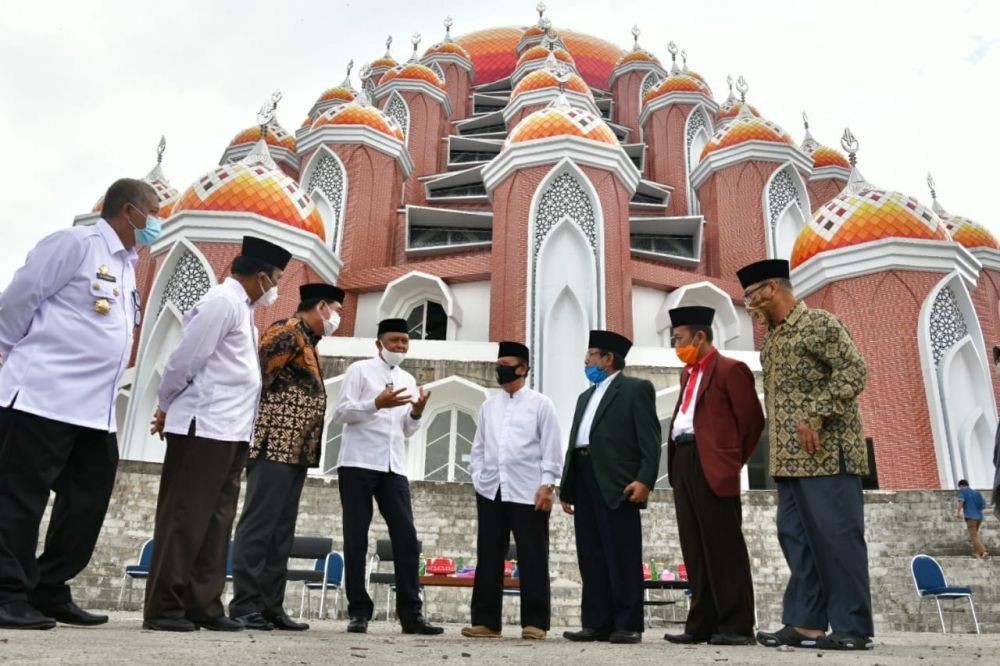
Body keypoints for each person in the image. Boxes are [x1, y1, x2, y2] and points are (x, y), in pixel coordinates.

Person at [0, 178, 159, 630]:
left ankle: (48, 587)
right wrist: (12, 350)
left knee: (87, 500)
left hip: (94, 410)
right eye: (154, 210)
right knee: (19, 498)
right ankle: (7, 592)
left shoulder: (128, 265)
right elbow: (18, 298)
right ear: (130, 211)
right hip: (41, 396)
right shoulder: (76, 244)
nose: (158, 220)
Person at [143, 236, 292, 633]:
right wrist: (164, 403)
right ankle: (164, 607)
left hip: (230, 430)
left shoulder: (242, 310)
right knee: (185, 518)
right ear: (261, 276)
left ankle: (203, 605)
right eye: (276, 277)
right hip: (202, 427)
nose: (276, 286)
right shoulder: (221, 303)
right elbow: (185, 359)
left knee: (216, 521)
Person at [738, 259, 874, 652]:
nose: (749, 302)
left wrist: (815, 413)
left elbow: (854, 371)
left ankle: (852, 627)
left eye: (751, 294)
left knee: (838, 540)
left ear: (771, 289)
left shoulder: (819, 324)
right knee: (794, 539)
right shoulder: (773, 339)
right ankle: (806, 624)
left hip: (828, 455)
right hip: (789, 461)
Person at [228, 283, 345, 631]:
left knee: (281, 532)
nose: (338, 317)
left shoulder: (308, 341)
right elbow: (255, 380)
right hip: (273, 445)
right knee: (259, 526)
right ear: (320, 305)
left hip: (295, 451)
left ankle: (270, 606)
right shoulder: (286, 332)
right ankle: (245, 605)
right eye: (336, 309)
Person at [331, 318, 440, 635]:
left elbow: (405, 429)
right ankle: (359, 612)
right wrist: (375, 403)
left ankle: (411, 615)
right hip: (358, 463)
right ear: (379, 343)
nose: (400, 347)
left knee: (406, 538)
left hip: (394, 467)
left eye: (405, 341)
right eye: (394, 341)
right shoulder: (359, 371)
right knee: (356, 537)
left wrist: (417, 412)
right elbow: (341, 413)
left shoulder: (406, 377)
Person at [663, 306, 764, 647]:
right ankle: (702, 623)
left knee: (723, 547)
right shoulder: (687, 374)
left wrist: (729, 461)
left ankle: (735, 625)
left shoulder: (730, 369)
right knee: (694, 546)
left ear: (700, 336)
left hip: (713, 464)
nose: (676, 346)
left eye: (679, 339)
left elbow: (752, 422)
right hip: (684, 460)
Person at [560, 330, 661, 645]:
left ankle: (627, 623)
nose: (586, 360)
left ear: (607, 358)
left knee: (622, 553)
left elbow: (650, 439)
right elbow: (576, 441)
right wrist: (568, 486)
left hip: (617, 482)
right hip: (585, 474)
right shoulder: (584, 396)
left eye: (591, 354)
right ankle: (596, 622)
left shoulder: (635, 389)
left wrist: (645, 479)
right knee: (590, 553)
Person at [462, 341, 562, 640]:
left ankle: (535, 623)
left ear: (523, 368)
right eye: (498, 363)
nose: (500, 368)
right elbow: (478, 447)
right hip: (492, 489)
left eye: (506, 363)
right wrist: (479, 476)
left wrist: (548, 485)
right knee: (489, 555)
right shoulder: (488, 405)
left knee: (533, 556)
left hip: (528, 490)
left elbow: (552, 449)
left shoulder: (541, 404)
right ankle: (486, 621)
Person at [955, 480, 989, 559]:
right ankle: (977, 554)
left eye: (960, 487)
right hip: (979, 517)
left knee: (973, 536)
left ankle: (983, 551)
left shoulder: (963, 492)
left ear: (961, 486)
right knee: (975, 536)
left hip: (970, 518)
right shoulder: (977, 493)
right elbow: (983, 506)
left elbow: (961, 502)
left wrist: (958, 513)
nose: (960, 489)